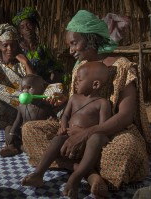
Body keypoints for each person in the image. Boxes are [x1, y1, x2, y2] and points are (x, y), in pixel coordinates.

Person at [21, 10, 151, 198]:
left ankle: (74, 166)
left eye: (74, 43)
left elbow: (125, 116)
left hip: (110, 133)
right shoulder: (79, 67)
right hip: (74, 130)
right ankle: (90, 174)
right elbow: (79, 104)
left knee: (128, 148)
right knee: (30, 129)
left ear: (90, 39)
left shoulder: (123, 66)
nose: (70, 50)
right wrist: (62, 104)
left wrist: (87, 133)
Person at [22, 61, 112, 198]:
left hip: (89, 141)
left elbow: (103, 127)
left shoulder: (102, 103)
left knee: (97, 138)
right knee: (58, 139)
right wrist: (63, 125)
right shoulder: (74, 98)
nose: (75, 83)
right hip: (68, 138)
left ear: (95, 84)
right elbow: (65, 115)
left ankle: (75, 178)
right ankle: (39, 173)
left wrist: (84, 133)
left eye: (79, 80)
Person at [0, 23, 64, 132]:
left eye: (12, 45)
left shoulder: (21, 64)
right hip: (3, 111)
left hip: (26, 105)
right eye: (5, 45)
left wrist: (27, 63)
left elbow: (35, 84)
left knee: (55, 89)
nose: (9, 48)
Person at [0, 74, 57, 157]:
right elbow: (18, 121)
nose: (25, 91)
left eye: (29, 88)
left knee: (35, 146)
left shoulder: (45, 107)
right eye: (23, 89)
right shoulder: (21, 106)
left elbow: (53, 121)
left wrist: (52, 120)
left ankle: (20, 147)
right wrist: (12, 133)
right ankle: (11, 147)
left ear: (41, 89)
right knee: (8, 128)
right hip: (23, 134)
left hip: (36, 136)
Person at [12, 7, 65, 84]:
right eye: (22, 27)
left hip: (41, 84)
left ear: (34, 26)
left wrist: (53, 76)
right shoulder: (17, 49)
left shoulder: (42, 49)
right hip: (23, 85)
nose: (26, 29)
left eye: (29, 25)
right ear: (20, 31)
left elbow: (55, 67)